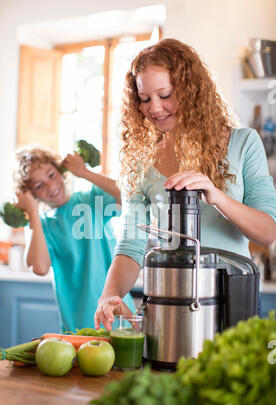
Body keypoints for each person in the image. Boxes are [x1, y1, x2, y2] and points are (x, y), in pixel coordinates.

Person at [94, 38, 276, 330]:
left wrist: (216, 196)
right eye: (144, 98)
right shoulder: (142, 162)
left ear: (191, 89)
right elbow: (130, 245)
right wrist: (110, 294)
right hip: (170, 296)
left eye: (165, 94)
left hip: (234, 293)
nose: (154, 108)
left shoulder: (243, 143)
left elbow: (267, 232)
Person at [13, 144, 135, 333]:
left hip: (119, 318)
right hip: (78, 328)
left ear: (61, 172)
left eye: (51, 175)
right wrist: (32, 212)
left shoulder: (90, 200)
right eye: (38, 185)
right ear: (31, 194)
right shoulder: (40, 226)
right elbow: (39, 267)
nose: (51, 186)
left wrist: (84, 172)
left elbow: (129, 195)